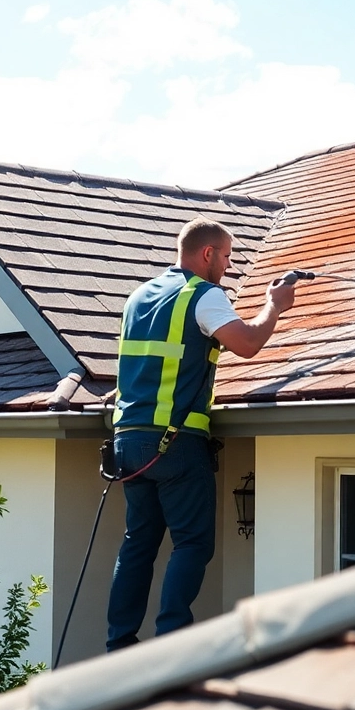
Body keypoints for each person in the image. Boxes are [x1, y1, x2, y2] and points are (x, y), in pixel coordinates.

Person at [106, 216, 295, 652]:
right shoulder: (202, 295)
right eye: (227, 256)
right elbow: (247, 344)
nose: (229, 266)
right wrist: (274, 306)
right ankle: (170, 645)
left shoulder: (138, 297)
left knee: (138, 543)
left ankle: (120, 646)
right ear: (207, 253)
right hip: (175, 443)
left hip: (127, 441)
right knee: (192, 543)